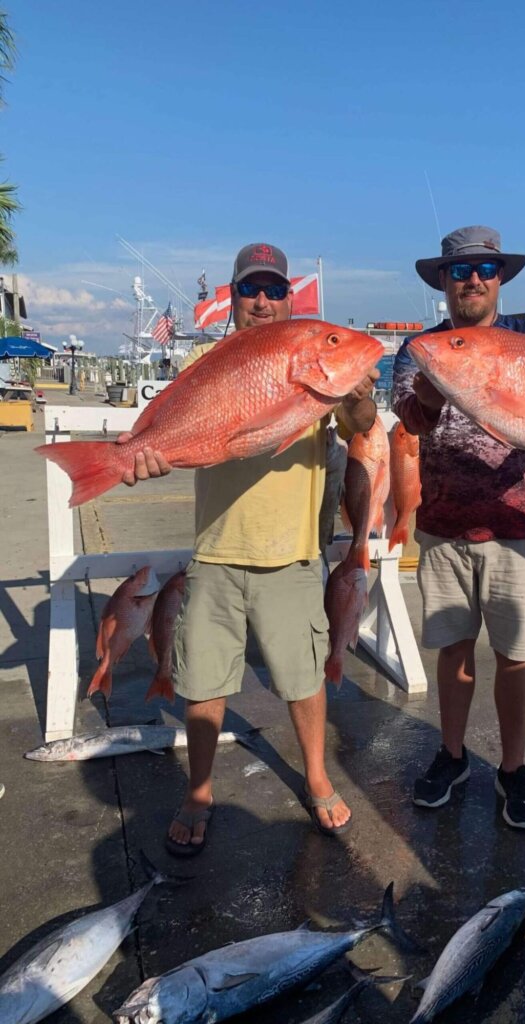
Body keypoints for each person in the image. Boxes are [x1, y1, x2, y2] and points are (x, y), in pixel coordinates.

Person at [119, 242, 378, 852]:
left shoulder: (315, 362)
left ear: (290, 297)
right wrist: (146, 454)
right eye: (249, 289)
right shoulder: (207, 359)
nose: (262, 301)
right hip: (214, 551)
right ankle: (199, 790)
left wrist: (356, 392)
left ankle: (316, 777)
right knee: (205, 680)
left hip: (291, 555)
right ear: (232, 298)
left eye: (274, 290)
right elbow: (177, 427)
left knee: (303, 677)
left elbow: (363, 425)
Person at [392, 225, 525, 831]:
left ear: (501, 277)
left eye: (486, 269)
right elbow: (410, 421)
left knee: (517, 656)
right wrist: (434, 391)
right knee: (454, 649)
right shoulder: (422, 350)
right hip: (445, 528)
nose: (474, 280)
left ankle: (513, 769)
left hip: (518, 526)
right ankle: (452, 755)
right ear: (443, 282)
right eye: (460, 271)